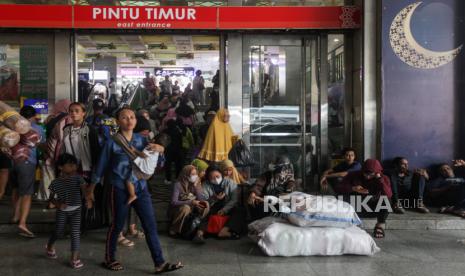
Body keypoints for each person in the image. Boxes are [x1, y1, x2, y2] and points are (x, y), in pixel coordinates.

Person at [88, 107, 183, 273]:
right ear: (118, 121)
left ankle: (159, 263)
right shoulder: (112, 142)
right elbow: (101, 167)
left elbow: (155, 160)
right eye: (124, 117)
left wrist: (162, 151)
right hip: (118, 187)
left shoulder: (142, 140)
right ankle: (109, 258)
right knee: (117, 225)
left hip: (140, 187)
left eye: (132, 117)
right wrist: (91, 189)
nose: (129, 120)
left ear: (136, 121)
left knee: (150, 225)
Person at [46, 153, 88, 269]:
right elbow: (50, 199)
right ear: (60, 167)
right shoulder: (55, 183)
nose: (74, 167)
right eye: (70, 165)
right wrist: (58, 204)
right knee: (58, 231)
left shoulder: (78, 179)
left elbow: (84, 190)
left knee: (75, 233)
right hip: (62, 211)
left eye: (74, 165)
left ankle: (74, 259)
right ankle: (49, 246)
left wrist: (88, 198)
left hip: (77, 210)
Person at [334, 159, 392, 239]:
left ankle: (380, 225)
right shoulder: (353, 175)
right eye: (365, 173)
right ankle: (350, 222)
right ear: (362, 170)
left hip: (373, 207)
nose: (367, 176)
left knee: (387, 199)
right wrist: (353, 188)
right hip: (357, 206)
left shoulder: (384, 178)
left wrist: (379, 179)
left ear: (377, 172)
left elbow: (388, 194)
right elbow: (338, 188)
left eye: (370, 174)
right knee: (340, 198)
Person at [10, 106, 45, 238]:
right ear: (33, 116)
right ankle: (22, 223)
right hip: (27, 162)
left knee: (15, 189)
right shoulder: (37, 128)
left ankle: (15, 216)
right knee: (27, 193)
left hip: (11, 162)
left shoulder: (13, 126)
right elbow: (42, 144)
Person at [195, 165, 243, 243]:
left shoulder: (230, 182)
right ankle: (199, 234)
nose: (216, 179)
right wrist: (214, 198)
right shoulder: (205, 185)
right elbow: (204, 201)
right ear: (208, 178)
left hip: (228, 206)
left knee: (239, 211)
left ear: (221, 174)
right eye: (212, 178)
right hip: (213, 206)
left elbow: (234, 200)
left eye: (217, 176)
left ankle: (224, 231)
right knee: (206, 212)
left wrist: (224, 210)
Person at [247, 156, 296, 220]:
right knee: (254, 205)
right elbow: (258, 185)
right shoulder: (267, 175)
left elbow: (288, 196)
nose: (282, 172)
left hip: (278, 203)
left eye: (284, 170)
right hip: (264, 202)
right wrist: (253, 193)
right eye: (279, 169)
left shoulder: (290, 180)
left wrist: (269, 199)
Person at [169, 165, 209, 238]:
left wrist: (196, 186)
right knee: (185, 208)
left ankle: (199, 226)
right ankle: (174, 229)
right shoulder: (178, 184)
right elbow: (174, 202)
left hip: (193, 206)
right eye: (192, 174)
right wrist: (191, 202)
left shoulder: (195, 183)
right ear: (186, 175)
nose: (195, 176)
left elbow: (201, 199)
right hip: (178, 208)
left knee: (206, 204)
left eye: (196, 174)